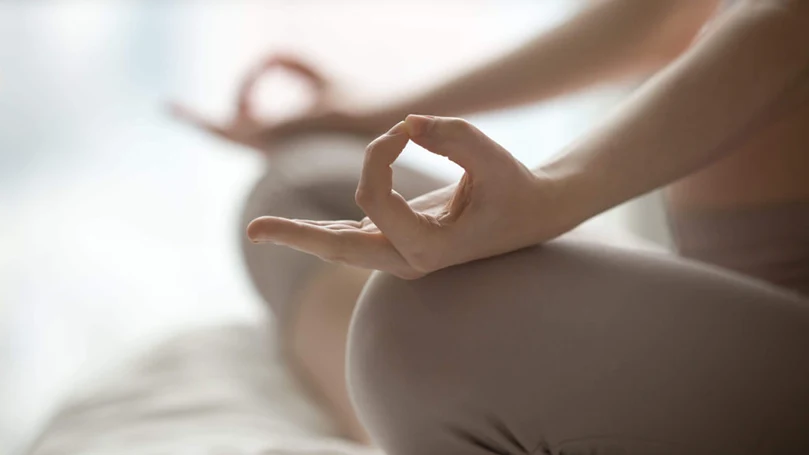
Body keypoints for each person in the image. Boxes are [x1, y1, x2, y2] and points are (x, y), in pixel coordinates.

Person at [173, 0, 809, 453]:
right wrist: (365, 116)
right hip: (745, 289)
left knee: (417, 324)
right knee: (304, 180)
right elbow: (665, 15)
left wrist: (557, 193)